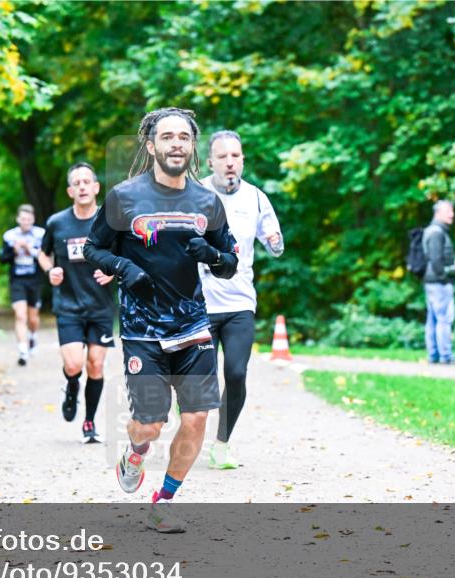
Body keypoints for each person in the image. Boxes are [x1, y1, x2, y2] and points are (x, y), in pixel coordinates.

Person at [84, 107, 239, 533]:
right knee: (150, 425)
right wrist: (123, 267)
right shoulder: (123, 197)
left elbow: (229, 263)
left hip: (192, 326)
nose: (176, 144)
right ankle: (134, 452)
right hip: (141, 328)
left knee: (196, 419)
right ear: (151, 145)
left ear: (192, 147)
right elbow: (93, 249)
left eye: (183, 138)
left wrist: (211, 255)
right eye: (167, 137)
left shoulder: (207, 202)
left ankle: (164, 501)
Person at [199, 130, 284, 470]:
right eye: (223, 157)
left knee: (235, 373)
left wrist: (275, 240)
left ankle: (221, 444)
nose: (230, 162)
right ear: (211, 162)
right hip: (199, 303)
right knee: (199, 381)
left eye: (235, 156)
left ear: (242, 160)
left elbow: (276, 248)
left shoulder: (257, 198)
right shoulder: (196, 193)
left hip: (239, 305)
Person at [38, 162, 116, 443]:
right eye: (77, 183)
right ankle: (72, 385)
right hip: (69, 305)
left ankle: (89, 423)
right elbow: (43, 254)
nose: (82, 187)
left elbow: (124, 256)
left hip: (100, 306)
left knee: (96, 364)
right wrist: (50, 271)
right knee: (74, 365)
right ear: (71, 191)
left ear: (96, 188)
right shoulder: (57, 223)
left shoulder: (108, 222)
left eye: (87, 182)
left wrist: (112, 271)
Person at [0, 204, 45, 366]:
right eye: (23, 219)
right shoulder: (9, 236)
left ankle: (32, 335)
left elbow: (46, 256)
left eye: (29, 219)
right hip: (17, 280)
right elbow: (2, 259)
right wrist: (14, 251)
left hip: (34, 279)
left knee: (32, 318)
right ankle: (23, 350)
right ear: (18, 219)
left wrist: (28, 248)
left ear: (33, 219)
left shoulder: (41, 234)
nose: (26, 222)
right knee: (20, 315)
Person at [422, 200, 455, 364]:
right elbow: (436, 260)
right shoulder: (437, 232)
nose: (452, 214)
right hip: (439, 283)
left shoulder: (433, 230)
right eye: (449, 211)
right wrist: (447, 276)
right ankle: (445, 355)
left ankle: (434, 355)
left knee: (433, 319)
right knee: (444, 319)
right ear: (438, 213)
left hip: (431, 281)